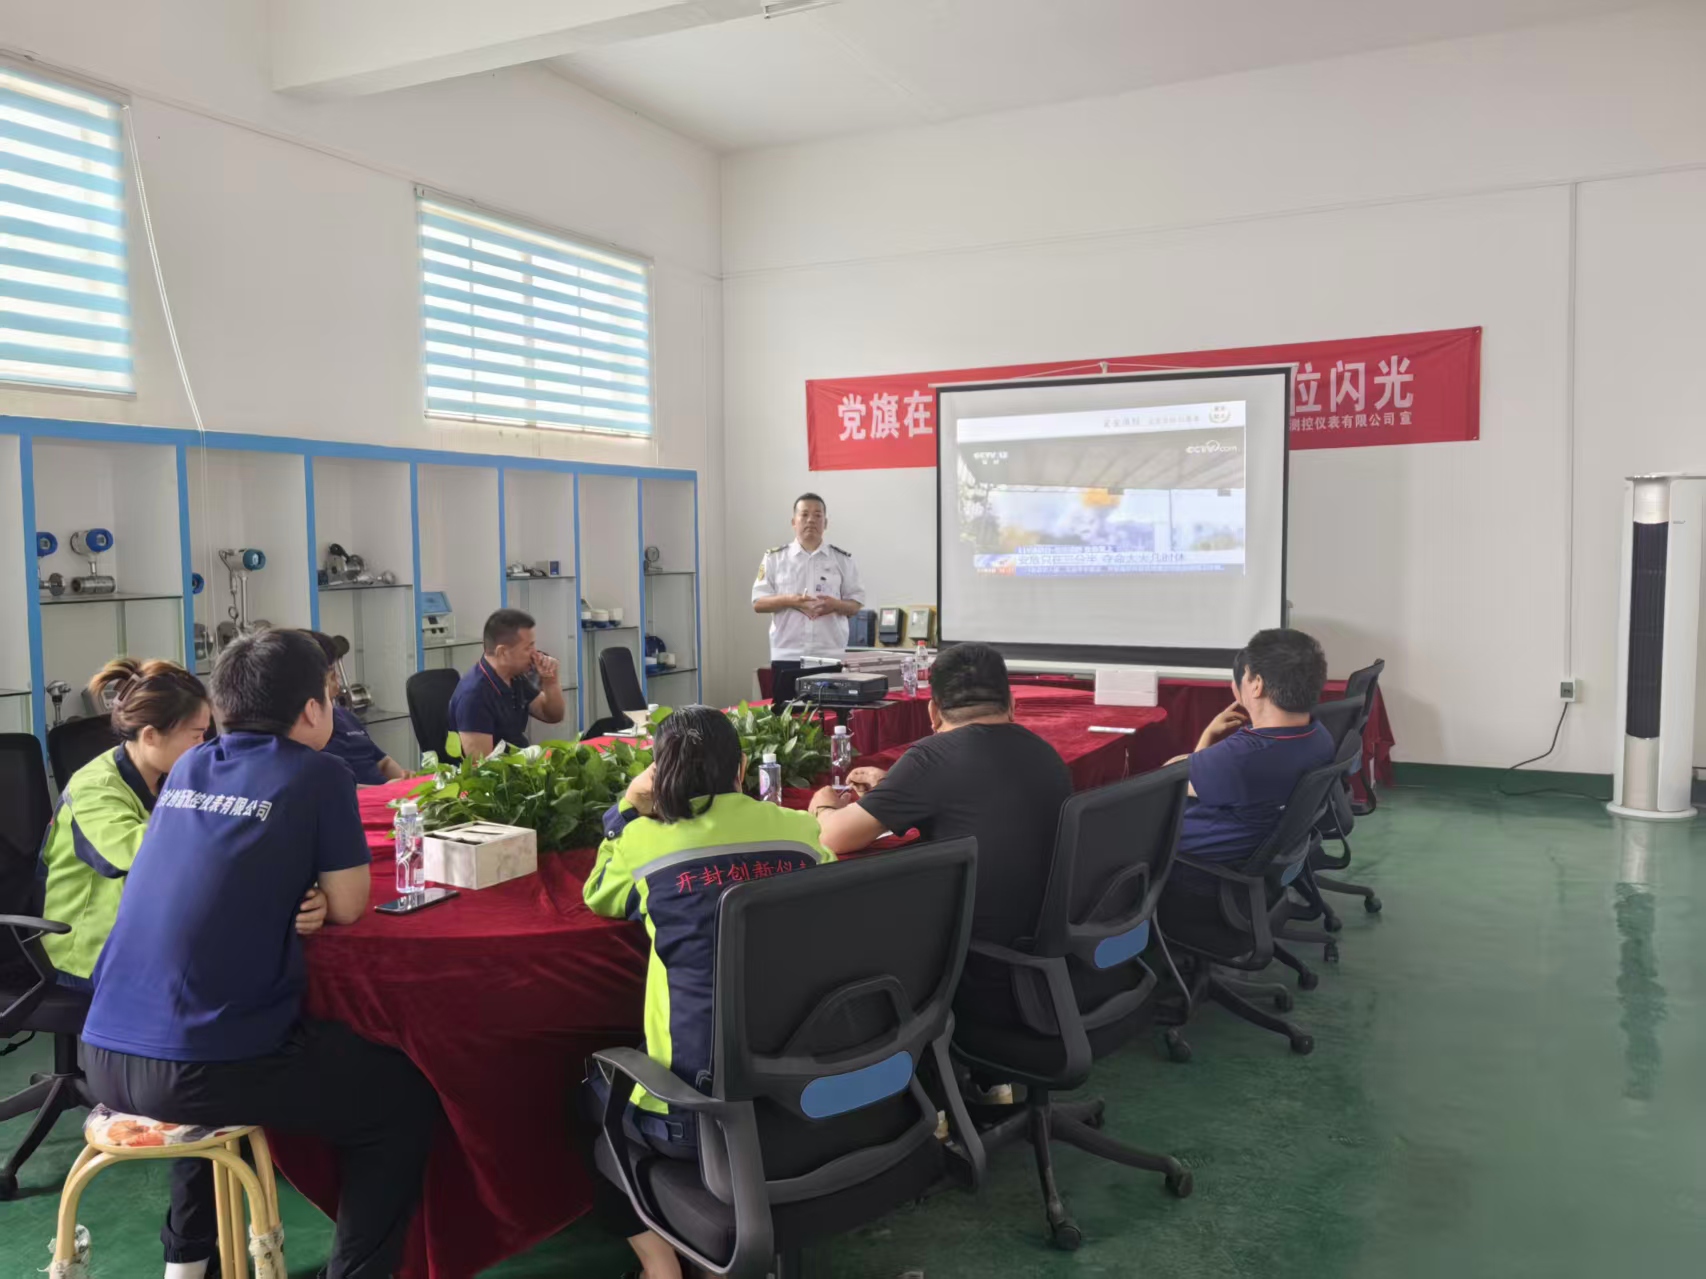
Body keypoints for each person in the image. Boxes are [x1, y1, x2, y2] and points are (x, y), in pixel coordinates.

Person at [79, 628, 442, 1279]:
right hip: (203, 1069)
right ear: (313, 708)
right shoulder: (320, 773)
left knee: (207, 1060)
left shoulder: (190, 766)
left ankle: (186, 1266)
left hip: (102, 1052)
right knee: (402, 1102)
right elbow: (351, 904)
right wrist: (322, 897)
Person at [583, 705, 832, 1279]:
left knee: (591, 1096)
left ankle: (660, 1267)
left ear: (659, 773)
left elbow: (599, 894)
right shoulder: (797, 831)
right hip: (802, 1093)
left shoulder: (645, 844)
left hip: (694, 1119)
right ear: (741, 769)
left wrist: (624, 811)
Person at [811, 643, 1072, 967]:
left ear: (933, 711)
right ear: (1012, 704)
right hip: (1038, 950)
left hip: (967, 961)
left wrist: (823, 806)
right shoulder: (1044, 752)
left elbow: (833, 837)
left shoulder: (931, 758)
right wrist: (892, 788)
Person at [38, 659, 212, 991]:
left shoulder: (169, 775)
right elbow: (137, 854)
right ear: (151, 736)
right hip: (89, 953)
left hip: (149, 936)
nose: (204, 745)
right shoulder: (94, 788)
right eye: (196, 735)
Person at [1157, 627, 1336, 948]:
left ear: (1256, 684)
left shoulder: (1243, 757)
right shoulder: (1318, 735)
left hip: (1196, 878)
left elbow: (1169, 777)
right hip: (1255, 870)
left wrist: (1207, 736)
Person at [751, 493, 866, 660]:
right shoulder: (774, 558)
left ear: (825, 523)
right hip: (787, 654)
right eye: (804, 514)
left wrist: (835, 605)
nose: (811, 520)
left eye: (817, 515)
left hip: (831, 654)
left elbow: (856, 604)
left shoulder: (842, 560)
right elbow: (758, 603)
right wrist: (790, 600)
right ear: (793, 522)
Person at [447, 608, 566, 760]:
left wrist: (551, 681)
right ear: (502, 652)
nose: (535, 654)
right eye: (528, 648)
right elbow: (482, 766)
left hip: (521, 761)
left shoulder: (515, 677)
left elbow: (552, 715)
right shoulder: (474, 696)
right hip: (502, 771)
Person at [308, 630, 407, 784]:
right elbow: (331, 788)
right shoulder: (308, 734)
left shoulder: (346, 717)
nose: (337, 679)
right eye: (331, 673)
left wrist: (405, 781)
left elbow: (383, 762)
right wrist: (384, 790)